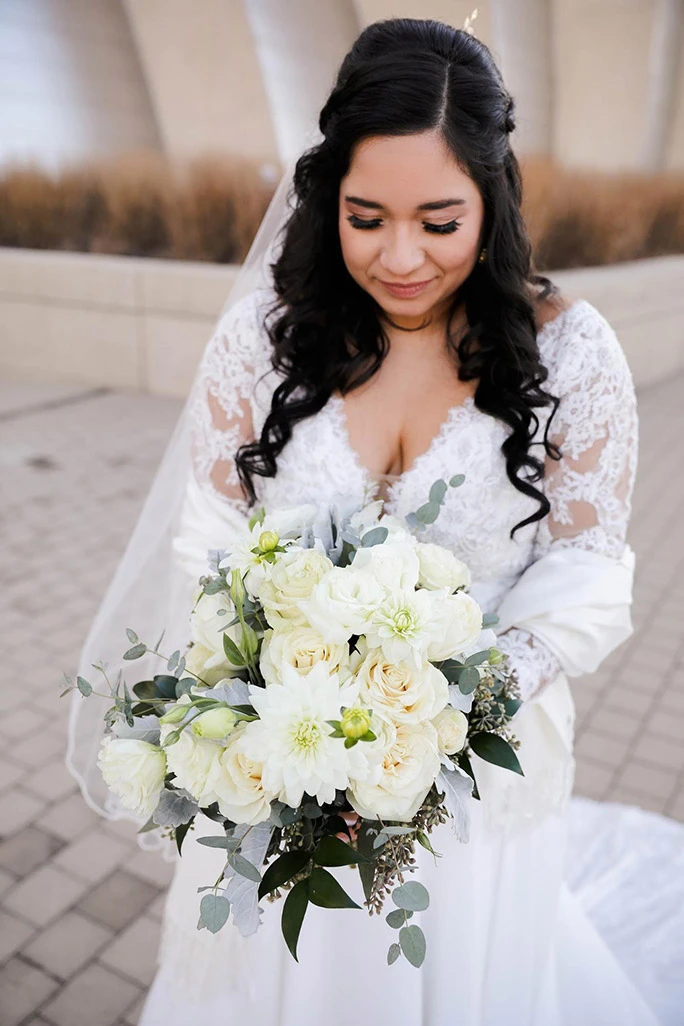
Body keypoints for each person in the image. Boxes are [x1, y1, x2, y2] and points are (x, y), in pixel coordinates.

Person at [67, 17, 683, 1026]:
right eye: (367, 217)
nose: (402, 257)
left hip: (474, 787)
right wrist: (262, 714)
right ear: (327, 198)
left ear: (494, 199)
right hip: (281, 769)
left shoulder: (571, 355)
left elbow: (582, 581)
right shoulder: (262, 341)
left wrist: (434, 724)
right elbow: (210, 545)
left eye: (441, 222)